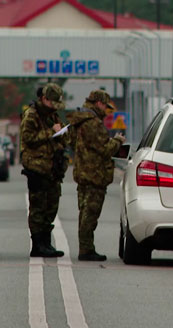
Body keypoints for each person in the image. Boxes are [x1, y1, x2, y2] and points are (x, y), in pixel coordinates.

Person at [67, 90, 125, 261]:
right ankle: (86, 249)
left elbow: (71, 142)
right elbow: (104, 149)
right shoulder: (93, 123)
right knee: (90, 213)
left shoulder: (78, 121)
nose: (106, 111)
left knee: (84, 212)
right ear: (99, 103)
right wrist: (117, 141)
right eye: (106, 107)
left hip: (83, 172)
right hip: (94, 174)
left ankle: (86, 247)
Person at [20, 83, 69, 258]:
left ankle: (46, 243)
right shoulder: (31, 115)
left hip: (52, 169)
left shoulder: (52, 115)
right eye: (52, 103)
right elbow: (28, 138)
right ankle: (38, 244)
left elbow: (61, 136)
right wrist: (51, 132)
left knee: (51, 207)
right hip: (37, 168)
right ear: (44, 99)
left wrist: (62, 134)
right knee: (38, 208)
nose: (54, 107)